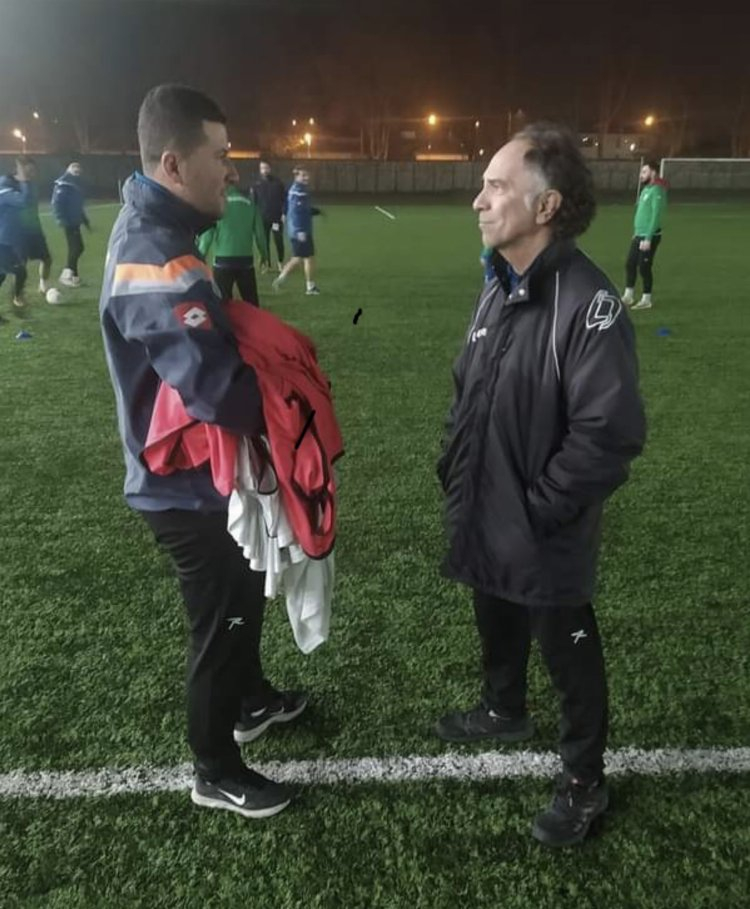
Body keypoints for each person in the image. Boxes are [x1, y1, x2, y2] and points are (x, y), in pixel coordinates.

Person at [435, 123, 646, 848]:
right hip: (484, 499)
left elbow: (608, 432)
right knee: (493, 607)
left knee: (566, 646)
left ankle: (585, 780)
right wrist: (457, 465)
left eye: (496, 187)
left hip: (541, 523)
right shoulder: (496, 283)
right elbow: (469, 384)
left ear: (547, 205)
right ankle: (503, 708)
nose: (479, 201)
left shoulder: (587, 302)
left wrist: (536, 509)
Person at [99, 83, 306, 819]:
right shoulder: (154, 253)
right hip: (180, 484)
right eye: (219, 155)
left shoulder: (166, 232)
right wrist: (289, 402)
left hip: (195, 472)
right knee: (223, 615)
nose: (232, 169)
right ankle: (214, 767)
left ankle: (250, 701)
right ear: (173, 163)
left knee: (243, 593)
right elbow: (215, 389)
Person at [197, 170, 268, 305]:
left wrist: (199, 257)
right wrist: (264, 255)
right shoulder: (250, 204)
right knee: (251, 303)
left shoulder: (217, 205)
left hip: (223, 261)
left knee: (222, 305)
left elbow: (207, 236)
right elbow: (260, 235)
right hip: (246, 260)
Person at [622, 160, 667, 310]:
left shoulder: (657, 191)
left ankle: (646, 299)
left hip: (650, 236)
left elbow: (656, 216)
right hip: (638, 235)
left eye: (644, 172)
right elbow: (642, 213)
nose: (641, 175)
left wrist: (648, 238)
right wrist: (636, 232)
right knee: (630, 263)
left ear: (653, 172)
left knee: (644, 267)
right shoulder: (646, 190)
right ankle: (628, 296)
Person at [272, 167, 321, 296]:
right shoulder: (299, 191)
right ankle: (307, 286)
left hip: (299, 230)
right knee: (302, 258)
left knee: (303, 258)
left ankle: (308, 285)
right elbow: (296, 213)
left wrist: (311, 211)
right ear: (296, 176)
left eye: (307, 175)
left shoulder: (298, 189)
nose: (306, 178)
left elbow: (298, 210)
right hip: (300, 231)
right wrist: (300, 231)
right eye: (303, 175)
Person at [15, 157, 54, 296]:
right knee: (21, 263)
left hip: (35, 230)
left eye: (34, 170)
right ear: (22, 169)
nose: (33, 172)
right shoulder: (13, 185)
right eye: (30, 170)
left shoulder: (32, 185)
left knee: (47, 259)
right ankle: (18, 292)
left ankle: (43, 284)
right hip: (19, 232)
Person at [0, 159, 32, 314]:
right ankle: (18, 298)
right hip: (2, 243)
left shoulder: (7, 189)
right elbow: (24, 201)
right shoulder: (5, 191)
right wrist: (24, 180)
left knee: (1, 276)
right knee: (20, 271)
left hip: (6, 242)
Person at [51, 162, 90, 287]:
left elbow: (77, 205)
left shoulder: (73, 185)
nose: (78, 175)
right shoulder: (64, 185)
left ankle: (74, 276)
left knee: (76, 247)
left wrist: (84, 220)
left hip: (74, 221)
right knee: (77, 247)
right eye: (76, 172)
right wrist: (60, 219)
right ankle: (66, 275)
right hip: (69, 221)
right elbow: (57, 203)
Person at [252, 160, 286, 272]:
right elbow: (254, 202)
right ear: (259, 169)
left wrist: (284, 213)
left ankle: (280, 262)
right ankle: (267, 264)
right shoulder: (256, 184)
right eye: (262, 168)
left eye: (266, 168)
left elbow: (284, 199)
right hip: (263, 219)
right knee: (264, 242)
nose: (264, 170)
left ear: (270, 168)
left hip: (276, 218)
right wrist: (254, 217)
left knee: (278, 240)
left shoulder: (278, 183)